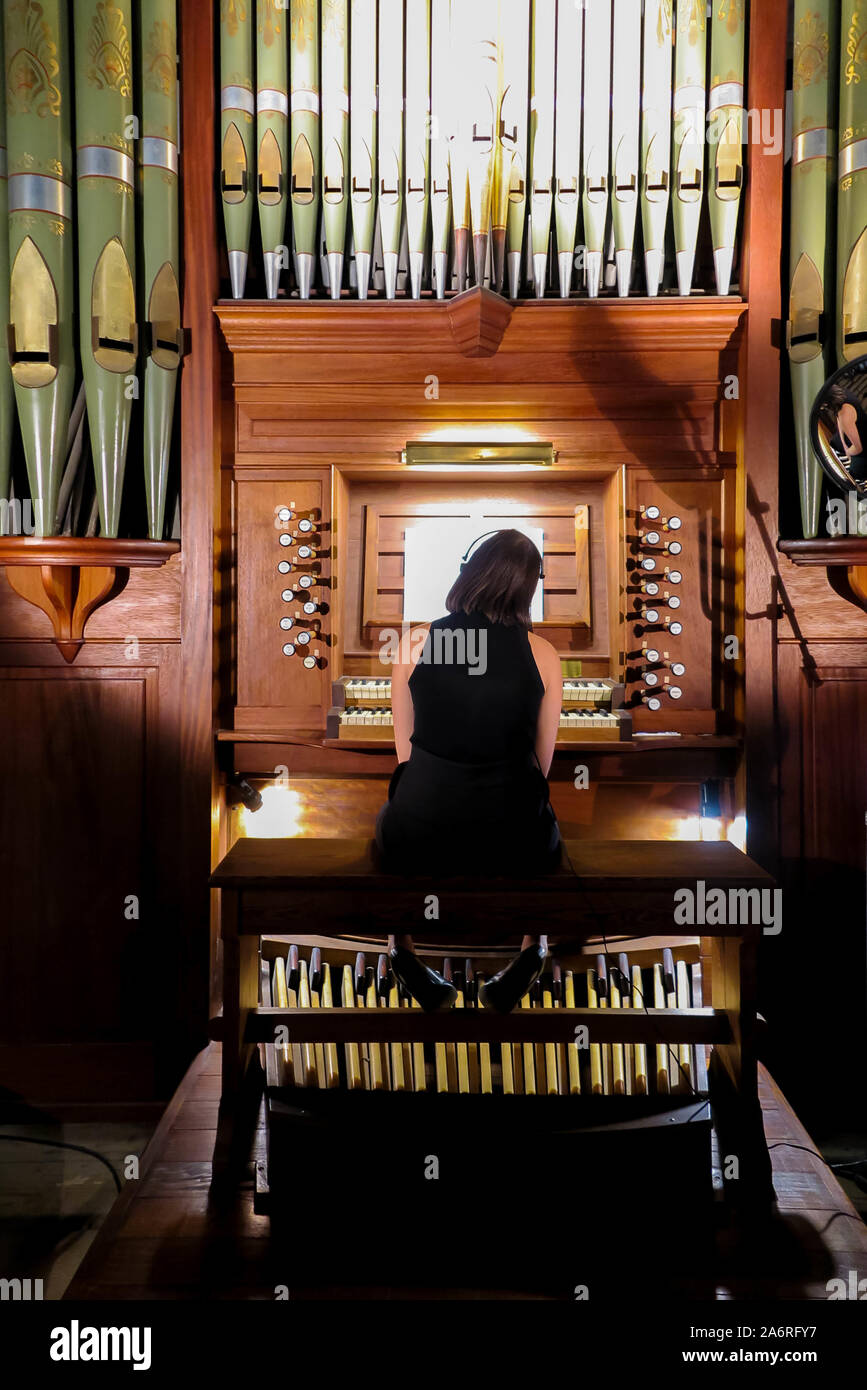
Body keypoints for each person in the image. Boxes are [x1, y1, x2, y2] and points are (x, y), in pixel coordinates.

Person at [375, 529, 564, 1014]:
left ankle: (401, 949)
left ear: (469, 572)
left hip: (421, 834)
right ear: (529, 588)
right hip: (514, 836)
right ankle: (532, 949)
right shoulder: (543, 654)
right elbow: (541, 765)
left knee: (399, 807)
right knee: (539, 812)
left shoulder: (415, 641)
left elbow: (405, 755)